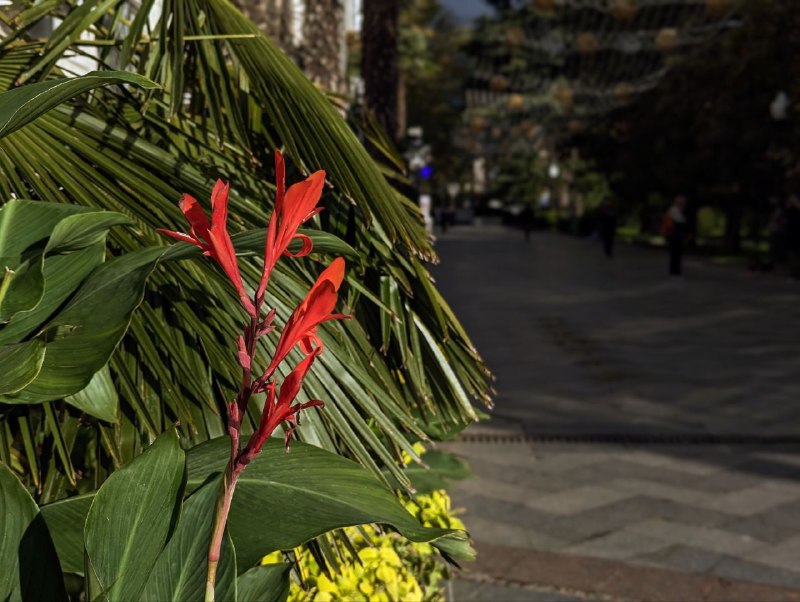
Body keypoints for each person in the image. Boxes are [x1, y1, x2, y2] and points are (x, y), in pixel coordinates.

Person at [661, 195, 688, 276]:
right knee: (675, 253)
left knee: (677, 254)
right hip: (674, 236)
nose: (683, 205)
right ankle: (674, 270)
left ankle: (676, 270)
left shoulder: (680, 212)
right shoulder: (674, 212)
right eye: (681, 203)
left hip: (678, 236)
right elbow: (675, 224)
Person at [786, 194, 800, 279]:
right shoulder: (790, 211)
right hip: (792, 236)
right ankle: (794, 273)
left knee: (794, 255)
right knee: (793, 254)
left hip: (795, 236)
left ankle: (795, 273)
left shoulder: (794, 212)